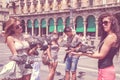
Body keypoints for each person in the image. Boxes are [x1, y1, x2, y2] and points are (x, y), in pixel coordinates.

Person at [79, 13, 120, 80]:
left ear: (112, 23)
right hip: (104, 69)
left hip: (106, 70)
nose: (103, 25)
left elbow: (101, 55)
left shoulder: (111, 37)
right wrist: (84, 51)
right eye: (102, 23)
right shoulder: (108, 36)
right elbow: (98, 52)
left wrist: (84, 54)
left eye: (106, 22)